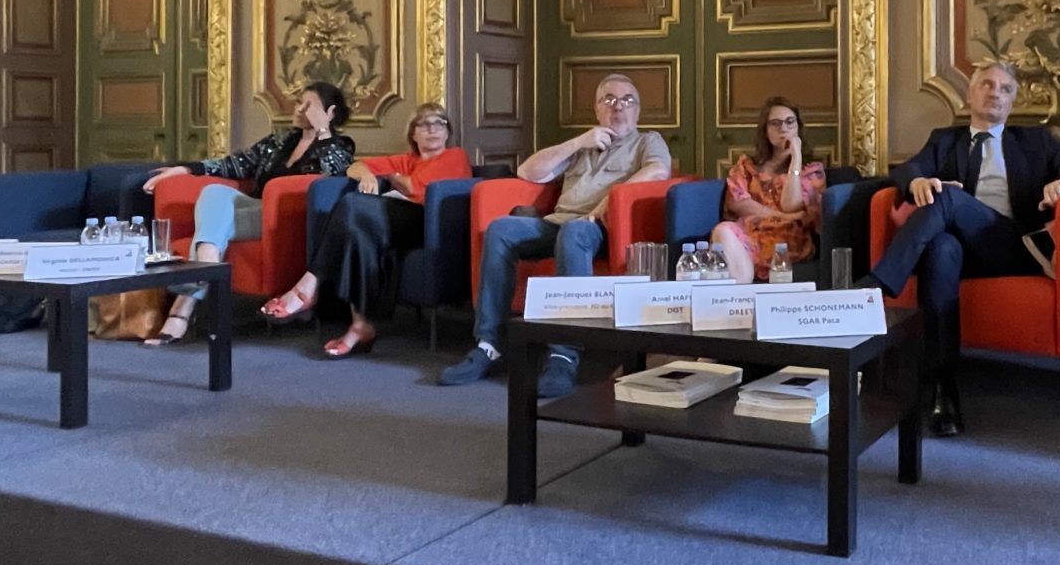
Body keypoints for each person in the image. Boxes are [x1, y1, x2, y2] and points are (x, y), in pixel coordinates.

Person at [863, 59, 1060, 436]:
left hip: (1011, 248)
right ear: (970, 94)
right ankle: (943, 390)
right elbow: (906, 170)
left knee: (947, 198)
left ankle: (875, 287)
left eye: (1005, 89)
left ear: (1012, 102)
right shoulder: (944, 140)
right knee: (941, 250)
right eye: (987, 85)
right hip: (958, 253)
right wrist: (916, 183)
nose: (996, 93)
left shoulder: (1034, 141)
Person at [440, 73, 671, 391]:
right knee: (501, 229)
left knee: (574, 233)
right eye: (609, 99)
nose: (619, 106)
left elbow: (658, 170)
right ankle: (488, 345)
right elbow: (528, 171)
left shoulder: (647, 141)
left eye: (627, 100)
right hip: (557, 223)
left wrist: (607, 202)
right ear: (597, 109)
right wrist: (578, 142)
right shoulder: (584, 144)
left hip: (601, 229)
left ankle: (564, 354)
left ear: (638, 111)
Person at [140, 82, 356, 346]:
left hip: (281, 220)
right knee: (213, 193)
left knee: (215, 218)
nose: (298, 109)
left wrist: (323, 132)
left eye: (308, 105)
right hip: (252, 210)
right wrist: (184, 169)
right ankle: (209, 268)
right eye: (299, 102)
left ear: (330, 112)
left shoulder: (339, 146)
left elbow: (336, 174)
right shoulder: (279, 140)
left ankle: (182, 310)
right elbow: (234, 164)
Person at [258, 102, 473, 357]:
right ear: (413, 134)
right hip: (394, 223)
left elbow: (415, 189)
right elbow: (354, 167)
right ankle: (360, 326)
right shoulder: (406, 160)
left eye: (439, 123)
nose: (433, 129)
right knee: (357, 231)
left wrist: (392, 177)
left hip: (428, 223)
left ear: (447, 132)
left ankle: (309, 283)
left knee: (352, 205)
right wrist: (368, 176)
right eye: (424, 124)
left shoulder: (455, 156)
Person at [710, 97, 827, 283]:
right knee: (722, 230)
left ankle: (742, 286)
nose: (784, 128)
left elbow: (791, 205)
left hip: (788, 240)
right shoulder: (748, 166)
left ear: (798, 127)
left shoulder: (811, 170)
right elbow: (739, 203)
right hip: (749, 236)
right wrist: (783, 215)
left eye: (790, 122)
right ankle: (740, 293)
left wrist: (796, 160)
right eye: (776, 123)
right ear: (765, 130)